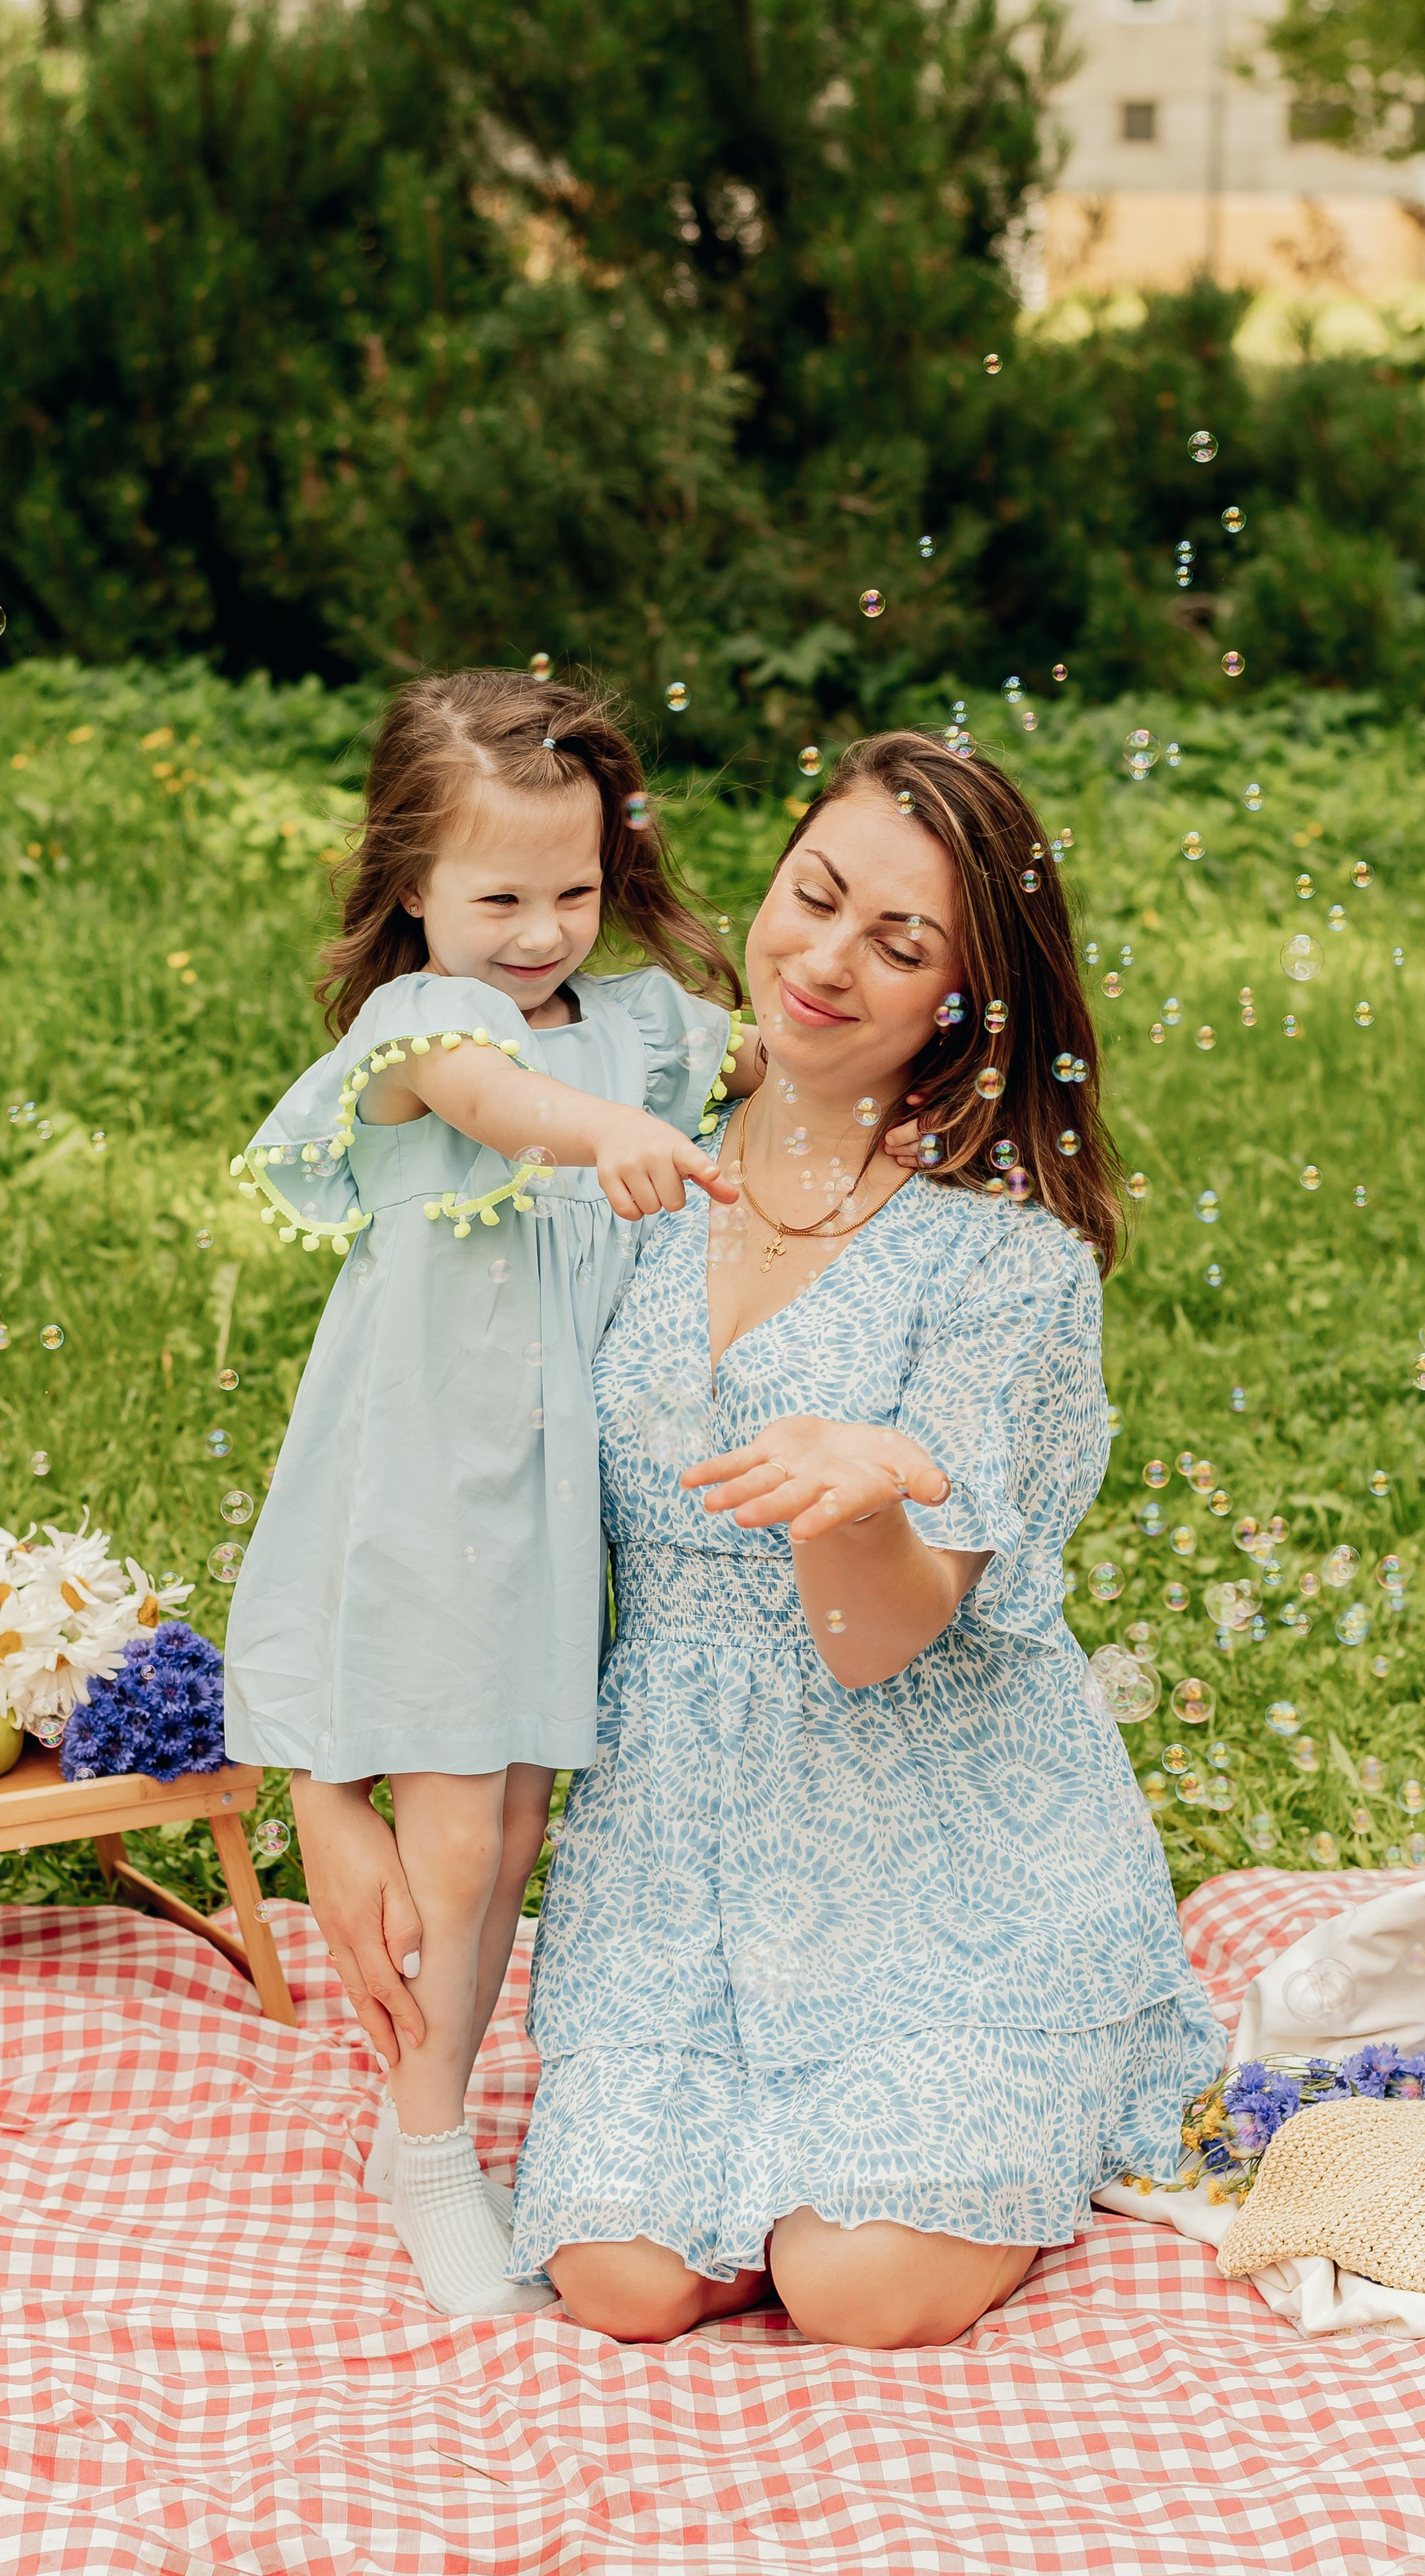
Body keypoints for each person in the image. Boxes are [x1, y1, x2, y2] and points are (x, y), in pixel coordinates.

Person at [294, 729, 1224, 2348]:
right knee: (624, 2282)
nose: (825, 960)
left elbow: (879, 1640)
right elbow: (409, 1478)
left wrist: (858, 1491)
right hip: (677, 1844)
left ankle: (1070, 2036)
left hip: (937, 1851)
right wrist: (325, 1778)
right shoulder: (621, 1159)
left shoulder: (999, 1261)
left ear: (964, 999)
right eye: (815, 897)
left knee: (854, 2284)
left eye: (899, 942)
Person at [223, 670, 753, 2319]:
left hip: (567, 1492)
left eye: (575, 890)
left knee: (513, 1818)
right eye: (497, 895)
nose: (540, 931)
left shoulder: (650, 1027)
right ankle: (426, 2148)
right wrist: (604, 1132)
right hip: (439, 1479)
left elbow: (789, 1080)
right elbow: (496, 1104)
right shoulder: (417, 1031)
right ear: (408, 887)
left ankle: (445, 2106)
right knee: (455, 1834)